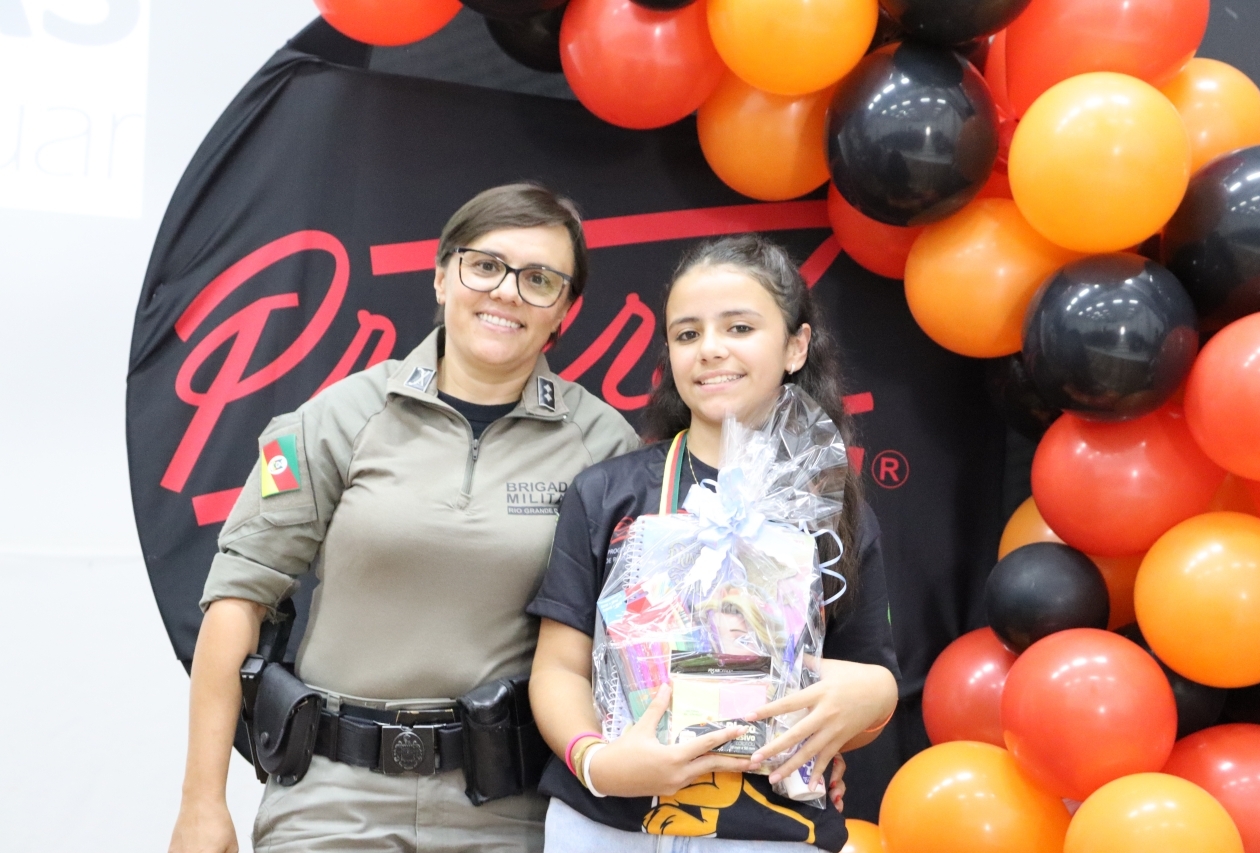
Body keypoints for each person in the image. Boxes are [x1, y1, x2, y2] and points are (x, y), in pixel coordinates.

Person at [169, 183, 639, 853]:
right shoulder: (338, 417)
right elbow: (237, 600)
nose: (507, 292)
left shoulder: (604, 444)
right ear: (443, 275)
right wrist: (201, 803)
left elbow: (637, 644)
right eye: (485, 266)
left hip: (513, 809)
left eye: (540, 279)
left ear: (566, 308)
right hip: (333, 802)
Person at [527, 234, 901, 852]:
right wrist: (599, 762)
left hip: (772, 834)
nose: (710, 349)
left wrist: (872, 699)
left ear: (796, 346)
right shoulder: (607, 493)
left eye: (740, 327)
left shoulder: (832, 509)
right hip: (606, 826)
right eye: (687, 334)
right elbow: (560, 667)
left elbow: (865, 689)